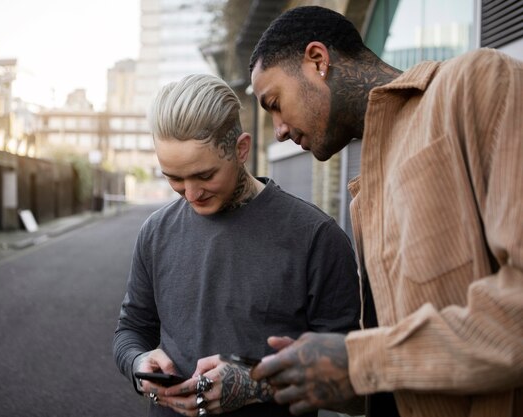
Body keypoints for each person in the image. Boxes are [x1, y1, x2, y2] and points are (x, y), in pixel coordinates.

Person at [248, 5, 523, 417]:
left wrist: (359, 359)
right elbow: (398, 376)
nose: (280, 130)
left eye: (274, 103)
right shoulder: (366, 196)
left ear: (317, 61)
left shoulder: (476, 84)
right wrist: (305, 374)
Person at [112, 74, 364, 417]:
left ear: (241, 149)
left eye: (204, 175)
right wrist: (140, 363)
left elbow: (353, 377)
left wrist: (257, 385)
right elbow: (131, 331)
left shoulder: (317, 238)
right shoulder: (155, 232)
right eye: (174, 178)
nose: (190, 194)